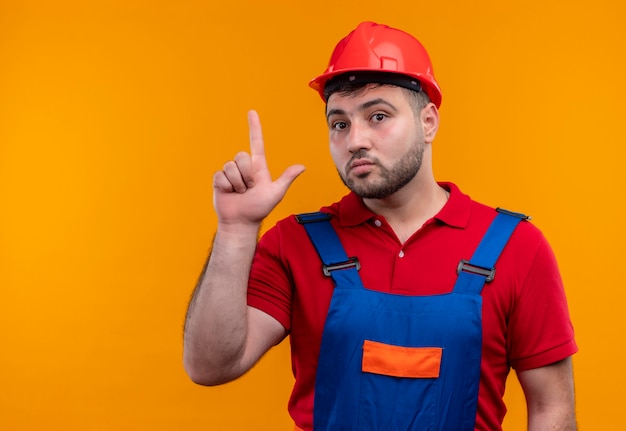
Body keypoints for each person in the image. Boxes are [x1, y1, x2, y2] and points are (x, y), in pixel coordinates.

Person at [183, 21, 577, 431]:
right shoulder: (295, 243)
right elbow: (209, 366)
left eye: (378, 116)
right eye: (340, 123)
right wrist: (235, 231)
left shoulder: (515, 246)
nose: (355, 140)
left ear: (428, 123)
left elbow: (552, 409)